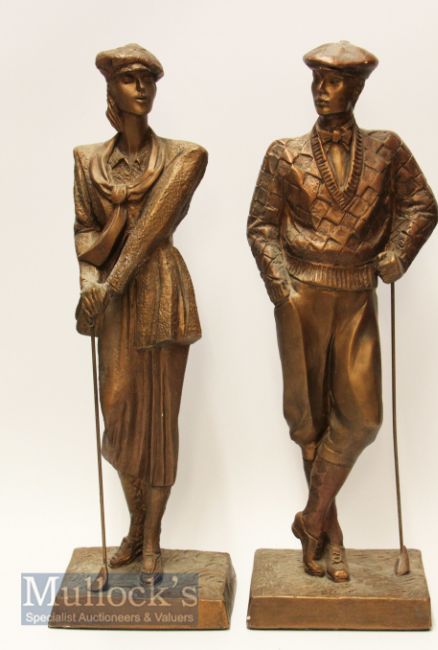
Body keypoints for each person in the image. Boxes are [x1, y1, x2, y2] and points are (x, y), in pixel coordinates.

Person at [247, 41, 438, 581]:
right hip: (302, 294)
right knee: (308, 420)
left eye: (332, 82)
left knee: (362, 419)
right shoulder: (284, 153)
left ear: (356, 89)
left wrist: (398, 250)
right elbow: (260, 226)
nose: (321, 90)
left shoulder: (386, 149)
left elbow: (421, 205)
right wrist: (282, 288)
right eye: (316, 80)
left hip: (356, 295)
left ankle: (309, 518)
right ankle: (331, 536)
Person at [73, 44, 207, 585]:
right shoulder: (87, 160)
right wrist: (89, 287)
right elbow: (84, 232)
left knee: (160, 421)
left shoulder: (184, 157)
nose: (142, 87)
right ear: (111, 87)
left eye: (149, 79)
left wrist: (111, 283)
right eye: (129, 79)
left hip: (160, 290)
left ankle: (151, 537)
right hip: (112, 302)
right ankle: (133, 525)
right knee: (117, 413)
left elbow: (152, 226)